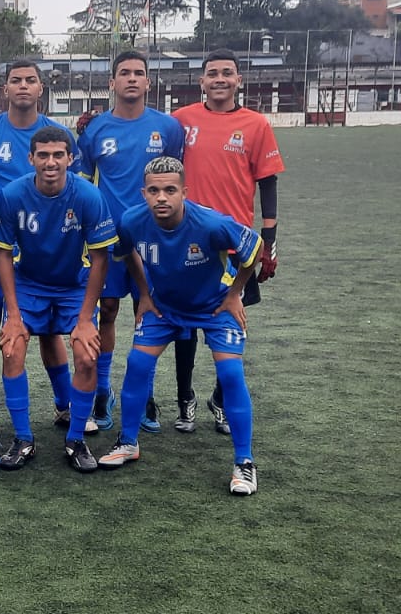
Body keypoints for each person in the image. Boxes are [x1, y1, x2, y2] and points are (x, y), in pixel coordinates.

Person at [100, 156, 263, 496]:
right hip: (166, 307)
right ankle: (128, 443)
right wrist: (144, 293)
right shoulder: (131, 221)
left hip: (215, 306)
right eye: (155, 190)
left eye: (170, 190)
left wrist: (235, 294)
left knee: (231, 374)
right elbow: (127, 253)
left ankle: (244, 463)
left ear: (184, 192)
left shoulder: (211, 224)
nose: (162, 197)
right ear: (143, 193)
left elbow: (254, 249)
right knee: (137, 364)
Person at [0, 60, 93, 436]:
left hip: (52, 240)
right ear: (5, 88)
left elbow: (76, 187)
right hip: (3, 242)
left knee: (52, 331)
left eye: (30, 80)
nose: (23, 86)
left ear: (41, 88)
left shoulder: (56, 134)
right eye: (15, 80)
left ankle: (67, 404)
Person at [168, 48, 284, 435]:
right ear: (201, 81)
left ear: (238, 80)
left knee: (231, 318)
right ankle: (185, 399)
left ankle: (219, 398)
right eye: (212, 73)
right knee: (184, 326)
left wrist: (269, 238)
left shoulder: (256, 124)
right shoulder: (181, 121)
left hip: (237, 244)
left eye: (227, 73)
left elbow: (267, 182)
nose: (220, 79)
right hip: (186, 240)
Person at [0, 126, 115, 472]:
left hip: (74, 286)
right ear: (30, 158)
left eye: (58, 154)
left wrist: (86, 318)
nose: (50, 162)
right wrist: (13, 315)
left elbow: (101, 258)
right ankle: (23, 438)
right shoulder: (12, 195)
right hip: (28, 284)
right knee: (12, 347)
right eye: (43, 155)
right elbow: (1, 254)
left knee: (88, 356)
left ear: (70, 159)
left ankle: (76, 440)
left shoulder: (88, 196)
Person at [74, 50, 184, 430]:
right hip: (105, 240)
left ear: (149, 82)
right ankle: (102, 390)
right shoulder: (95, 130)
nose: (132, 79)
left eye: (139, 73)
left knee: (149, 314)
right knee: (106, 311)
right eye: (124, 73)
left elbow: (175, 183)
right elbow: (82, 184)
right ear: (112, 83)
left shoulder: (168, 128)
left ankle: (145, 393)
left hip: (152, 240)